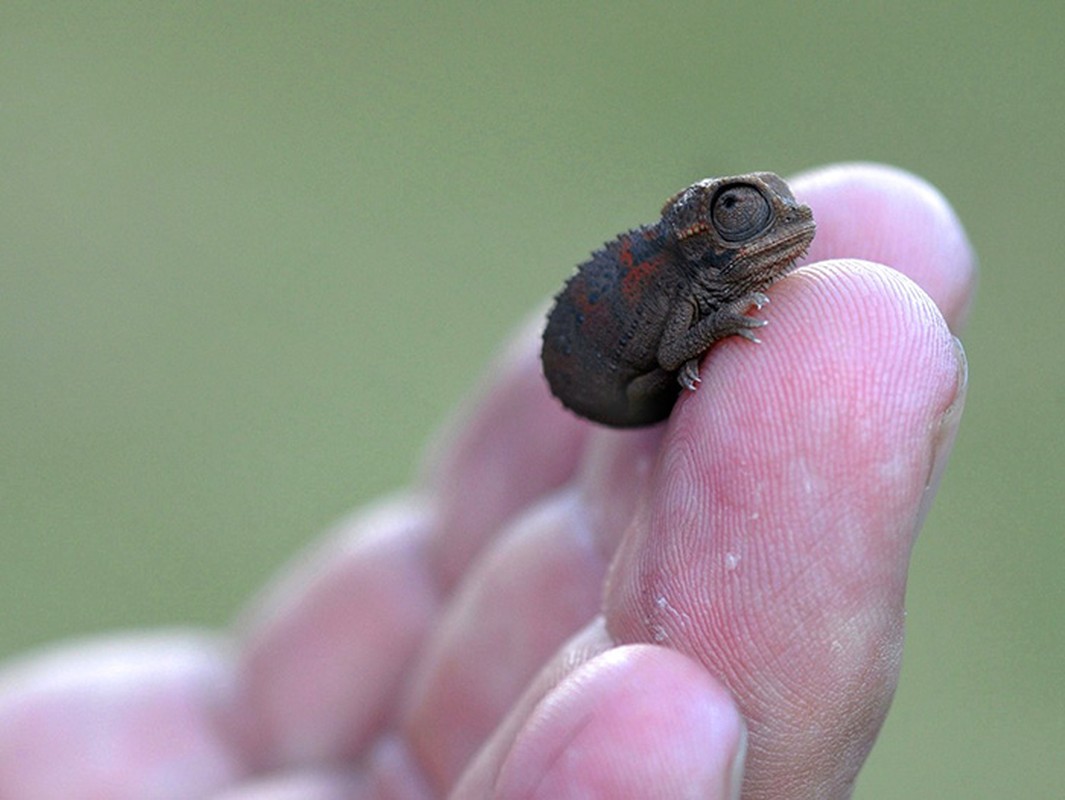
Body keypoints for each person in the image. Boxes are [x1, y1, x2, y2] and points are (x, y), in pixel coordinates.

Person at [0, 163, 974, 799]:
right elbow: (679, 335)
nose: (779, 232)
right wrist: (711, 335)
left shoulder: (697, 273)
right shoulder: (684, 283)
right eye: (742, 216)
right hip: (605, 373)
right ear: (700, 234)